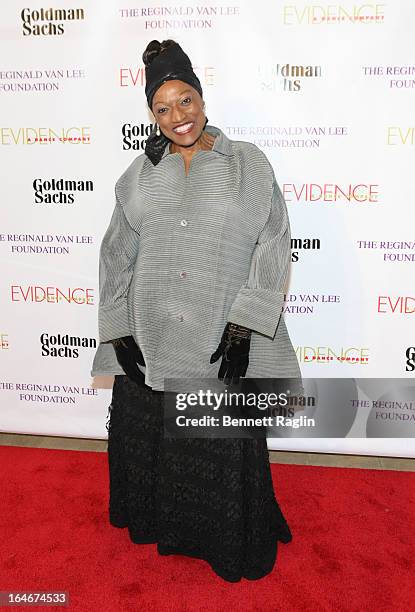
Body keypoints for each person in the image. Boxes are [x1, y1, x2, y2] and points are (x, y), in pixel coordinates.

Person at [91, 39, 302, 583]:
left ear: (202, 98)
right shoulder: (137, 176)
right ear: (151, 115)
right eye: (162, 108)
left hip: (218, 337)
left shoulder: (247, 163)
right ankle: (161, 525)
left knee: (219, 440)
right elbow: (117, 252)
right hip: (153, 333)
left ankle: (225, 540)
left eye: (184, 100)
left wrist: (246, 323)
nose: (176, 117)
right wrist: (118, 330)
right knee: (153, 438)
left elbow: (274, 241)